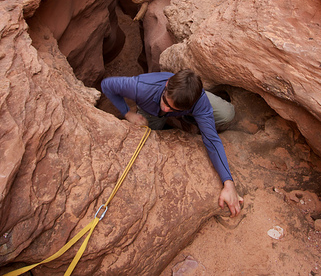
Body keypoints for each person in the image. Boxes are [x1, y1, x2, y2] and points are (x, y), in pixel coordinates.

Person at [101, 69, 243, 217]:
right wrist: (128, 113)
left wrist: (228, 183)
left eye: (172, 108)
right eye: (166, 102)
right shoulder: (141, 87)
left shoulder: (199, 102)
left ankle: (185, 118)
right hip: (150, 111)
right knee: (144, 143)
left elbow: (212, 140)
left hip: (187, 108)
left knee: (227, 114)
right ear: (168, 84)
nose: (166, 108)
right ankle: (175, 116)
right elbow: (107, 85)